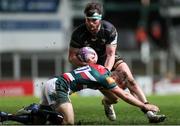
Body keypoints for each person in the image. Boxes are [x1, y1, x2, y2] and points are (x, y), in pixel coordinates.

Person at [68, 2, 164, 123]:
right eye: (88, 20)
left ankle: (149, 113)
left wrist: (106, 71)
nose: (91, 23)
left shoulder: (109, 29)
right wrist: (88, 67)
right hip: (92, 66)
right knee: (114, 98)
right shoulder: (78, 33)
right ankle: (107, 103)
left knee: (131, 81)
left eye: (94, 20)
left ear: (100, 19)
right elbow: (71, 57)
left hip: (110, 60)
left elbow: (110, 54)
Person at [0, 61, 161, 124]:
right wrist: (145, 106)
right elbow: (123, 95)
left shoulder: (99, 68)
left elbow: (113, 96)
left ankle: (6, 116)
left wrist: (108, 102)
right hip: (59, 87)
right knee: (69, 122)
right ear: (115, 79)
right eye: (119, 85)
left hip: (54, 83)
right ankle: (34, 108)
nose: (118, 88)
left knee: (39, 122)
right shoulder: (106, 79)